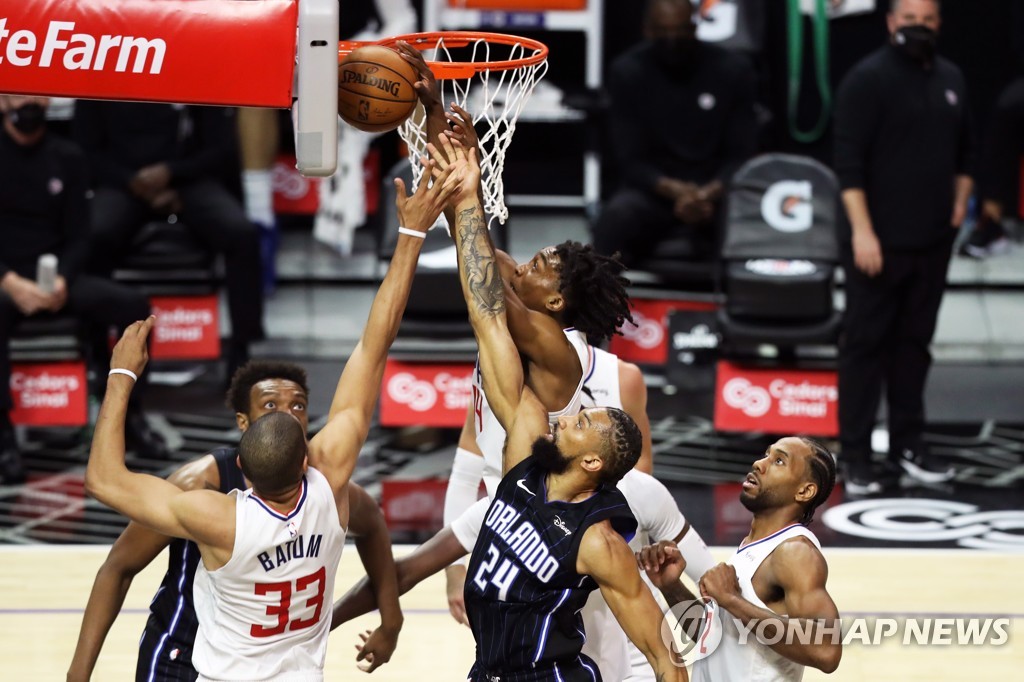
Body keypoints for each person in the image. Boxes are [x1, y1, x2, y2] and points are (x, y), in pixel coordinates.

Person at [82, 157, 461, 680]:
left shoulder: (218, 518)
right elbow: (375, 345)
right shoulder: (331, 484)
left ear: (244, 468)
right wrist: (412, 232)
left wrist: (121, 377)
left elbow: (104, 480)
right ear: (307, 454)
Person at [434, 132, 686, 681]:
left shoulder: (551, 344)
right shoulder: (519, 362)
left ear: (555, 303)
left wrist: (469, 193)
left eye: (543, 265)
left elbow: (486, 297)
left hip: (564, 523)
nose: (526, 263)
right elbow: (472, 244)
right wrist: (441, 133)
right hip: (518, 499)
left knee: (599, 650)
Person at [329, 345, 716, 681]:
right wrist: (321, 623)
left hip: (616, 671)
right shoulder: (512, 494)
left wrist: (669, 585)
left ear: (593, 459)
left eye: (578, 421)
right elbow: (403, 571)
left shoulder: (633, 506)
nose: (561, 419)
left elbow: (699, 631)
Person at [67, 360, 402, 681]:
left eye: (298, 405)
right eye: (271, 405)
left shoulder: (322, 485)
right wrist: (78, 673)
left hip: (262, 663)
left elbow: (371, 524)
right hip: (180, 652)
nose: (287, 414)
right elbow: (118, 567)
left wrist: (391, 619)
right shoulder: (199, 484)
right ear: (243, 421)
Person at [833, 0, 972, 494]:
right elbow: (847, 165)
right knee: (865, 347)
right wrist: (863, 232)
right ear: (890, 22)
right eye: (909, 20)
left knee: (915, 347)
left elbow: (965, 153)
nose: (919, 28)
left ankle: (908, 445)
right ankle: (854, 454)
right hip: (877, 243)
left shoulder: (952, 77)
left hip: (932, 241)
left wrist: (958, 206)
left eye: (928, 20)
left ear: (940, 23)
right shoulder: (866, 81)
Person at [0, 94, 167, 484]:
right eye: (17, 94)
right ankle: (3, 435)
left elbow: (80, 235)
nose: (26, 102)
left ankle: (131, 415)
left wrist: (62, 280)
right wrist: (9, 281)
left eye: (34, 94)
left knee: (135, 308)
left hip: (59, 278)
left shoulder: (68, 155)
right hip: (6, 278)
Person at [72, 100, 265, 379]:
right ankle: (98, 350)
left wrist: (173, 174)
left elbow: (221, 150)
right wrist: (132, 181)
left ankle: (241, 349)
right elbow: (86, 151)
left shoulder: (197, 77)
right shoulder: (103, 71)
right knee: (94, 235)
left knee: (241, 233)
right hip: (122, 182)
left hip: (187, 179)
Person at [638, 437, 842, 680]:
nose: (759, 463)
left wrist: (732, 600)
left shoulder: (794, 552)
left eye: (778, 461)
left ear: (804, 491)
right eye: (766, 454)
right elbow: (715, 639)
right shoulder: (753, 545)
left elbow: (827, 651)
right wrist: (671, 586)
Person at [591, 0, 758, 267]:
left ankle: (745, 302)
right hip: (654, 190)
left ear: (695, 27)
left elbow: (742, 153)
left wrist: (707, 194)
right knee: (617, 217)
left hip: (715, 190)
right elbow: (629, 159)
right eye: (663, 31)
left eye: (680, 30)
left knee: (747, 219)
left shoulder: (733, 70)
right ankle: (598, 303)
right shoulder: (628, 71)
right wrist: (676, 192)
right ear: (648, 30)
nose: (672, 39)